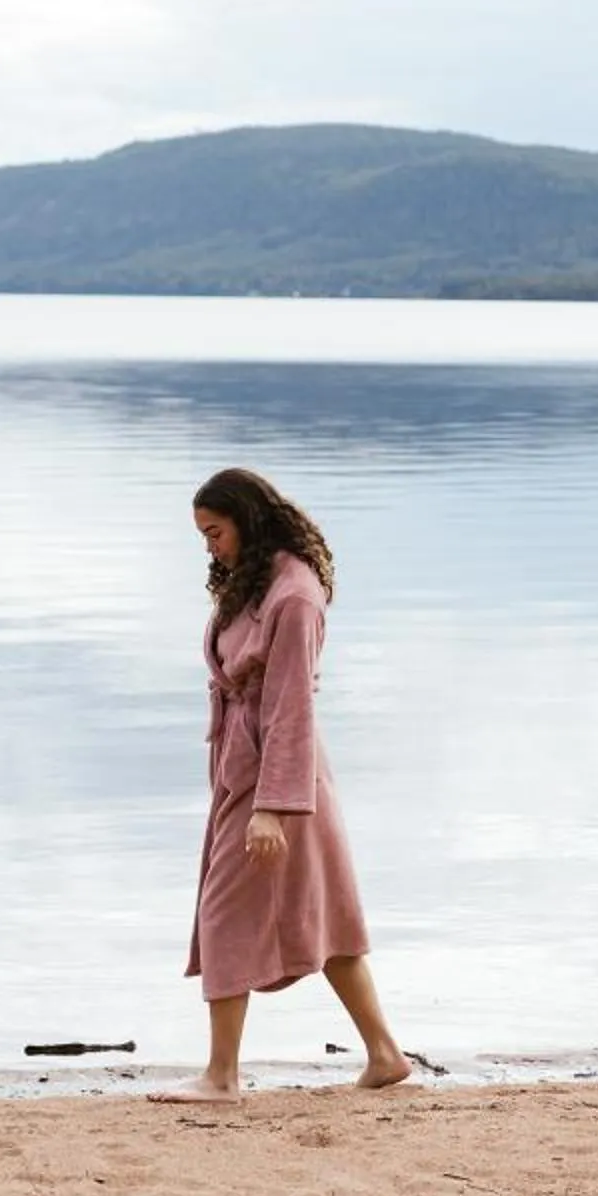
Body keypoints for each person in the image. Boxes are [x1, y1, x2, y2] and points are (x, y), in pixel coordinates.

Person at [153, 467, 411, 1104]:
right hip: (249, 768)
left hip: (279, 778)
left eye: (214, 532)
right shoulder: (255, 582)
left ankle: (221, 1076)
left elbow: (292, 704)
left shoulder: (293, 596)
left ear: (247, 519)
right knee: (322, 916)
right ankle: (384, 1055)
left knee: (222, 914)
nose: (209, 546)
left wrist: (272, 807)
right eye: (202, 536)